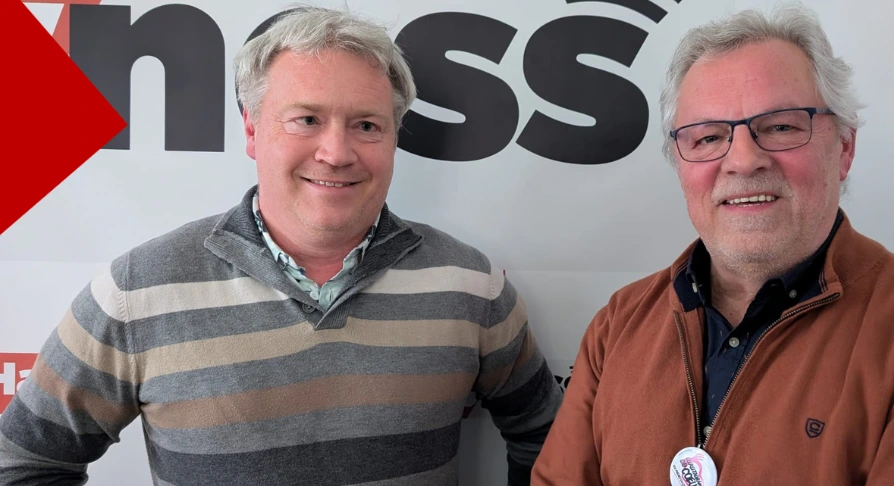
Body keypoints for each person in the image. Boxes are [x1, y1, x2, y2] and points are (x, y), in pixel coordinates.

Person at [0, 6, 561, 485]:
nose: (336, 152)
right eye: (307, 119)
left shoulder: (471, 285)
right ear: (252, 130)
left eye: (367, 125)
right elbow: (23, 462)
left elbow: (550, 443)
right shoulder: (136, 291)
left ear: (394, 137)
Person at [531, 4, 894, 485]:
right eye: (708, 137)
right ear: (680, 163)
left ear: (844, 148)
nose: (742, 160)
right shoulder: (618, 325)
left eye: (779, 127)